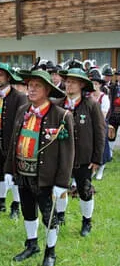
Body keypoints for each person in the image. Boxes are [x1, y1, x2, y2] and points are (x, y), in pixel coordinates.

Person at [4, 69, 74, 266]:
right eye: (30, 85)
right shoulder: (23, 110)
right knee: (27, 211)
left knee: (49, 216)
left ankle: (50, 251)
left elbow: (68, 153)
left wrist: (62, 183)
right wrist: (9, 169)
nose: (32, 89)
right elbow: (13, 142)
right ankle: (32, 244)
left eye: (37, 86)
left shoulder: (61, 116)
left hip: (46, 177)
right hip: (23, 174)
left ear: (48, 90)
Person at [56, 68, 105, 235]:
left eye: (73, 82)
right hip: (61, 157)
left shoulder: (91, 105)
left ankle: (86, 221)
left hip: (83, 158)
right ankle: (60, 215)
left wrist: (97, 159)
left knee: (85, 190)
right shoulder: (58, 104)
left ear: (82, 85)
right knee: (60, 188)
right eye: (67, 81)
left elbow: (100, 133)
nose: (68, 85)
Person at [0, 62, 28, 219]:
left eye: (0, 75)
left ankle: (16, 206)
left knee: (14, 175)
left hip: (11, 144)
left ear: (8, 77)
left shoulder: (20, 97)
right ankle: (0, 202)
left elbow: (21, 122)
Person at [88, 70, 111, 180]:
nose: (94, 85)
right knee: (91, 148)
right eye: (92, 83)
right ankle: (93, 168)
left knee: (101, 146)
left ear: (100, 85)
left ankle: (101, 168)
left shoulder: (104, 97)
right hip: (89, 126)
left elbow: (103, 115)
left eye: (96, 83)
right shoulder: (88, 96)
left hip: (100, 126)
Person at [108, 69, 120, 153]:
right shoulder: (112, 87)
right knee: (111, 134)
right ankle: (110, 152)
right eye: (119, 75)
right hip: (114, 114)